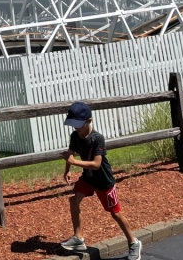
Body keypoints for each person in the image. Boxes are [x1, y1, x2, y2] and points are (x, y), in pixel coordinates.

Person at [59, 101, 141, 260]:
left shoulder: (98, 139)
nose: (76, 128)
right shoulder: (75, 136)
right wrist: (67, 171)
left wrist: (74, 162)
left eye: (78, 124)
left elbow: (96, 164)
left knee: (115, 214)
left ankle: (134, 243)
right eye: (73, 124)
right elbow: (70, 155)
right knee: (73, 201)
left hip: (103, 181)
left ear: (89, 120)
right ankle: (79, 238)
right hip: (88, 178)